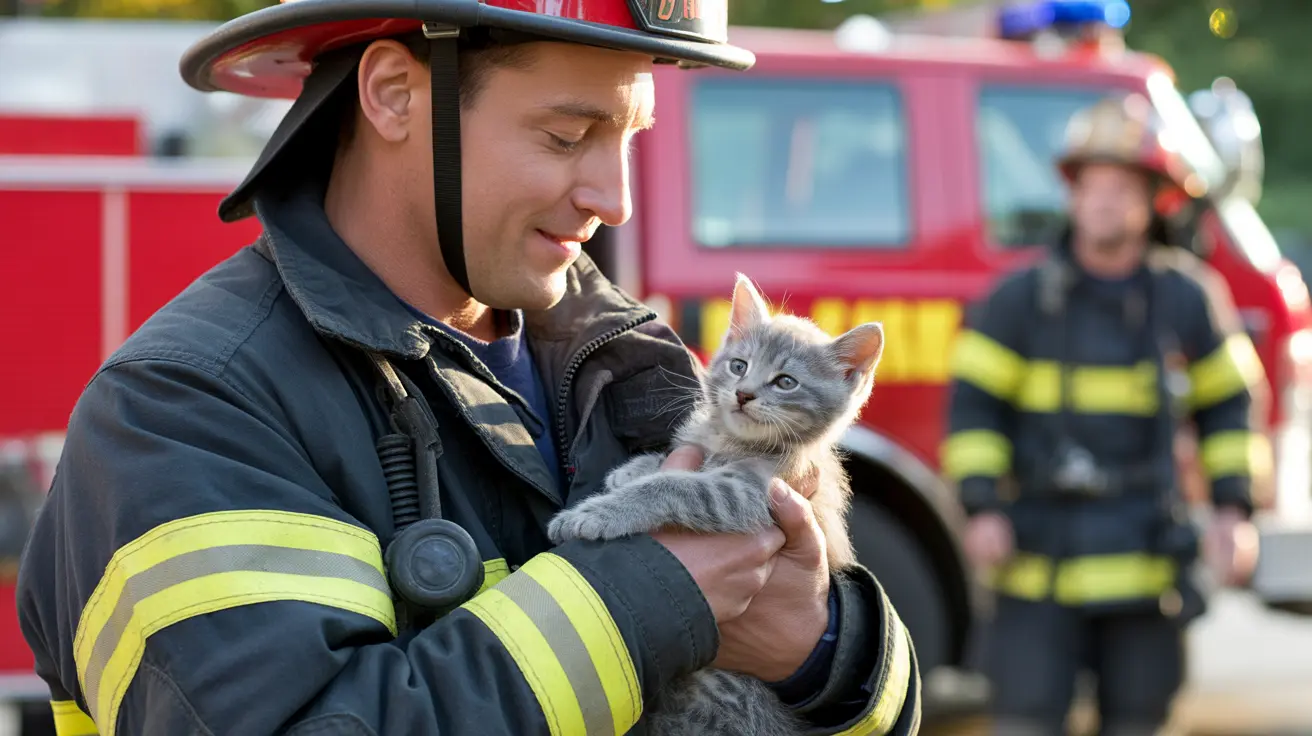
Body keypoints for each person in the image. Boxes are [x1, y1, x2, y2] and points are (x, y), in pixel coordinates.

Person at [14, 2, 921, 735]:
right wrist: (655, 598)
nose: (615, 198)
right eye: (568, 137)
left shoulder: (631, 361)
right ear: (395, 95)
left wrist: (823, 652)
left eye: (628, 138)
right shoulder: (188, 407)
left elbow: (862, 695)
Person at [943, 92, 1266, 736]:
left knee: (1142, 722)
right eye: (1092, 185)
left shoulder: (1188, 299)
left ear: (1154, 202)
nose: (1105, 200)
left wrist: (1234, 511)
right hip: (1036, 565)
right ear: (1072, 195)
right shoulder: (1017, 301)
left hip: (1144, 565)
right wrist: (979, 509)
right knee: (1024, 722)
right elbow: (975, 411)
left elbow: (1229, 407)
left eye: (1122, 186)